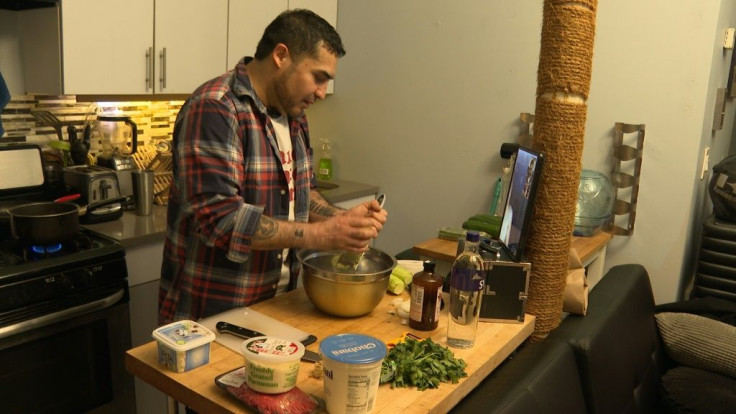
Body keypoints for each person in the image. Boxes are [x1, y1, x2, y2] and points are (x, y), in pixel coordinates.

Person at [159, 9, 387, 325]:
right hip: (212, 320)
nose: (322, 92)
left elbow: (302, 193)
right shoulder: (215, 108)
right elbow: (221, 220)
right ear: (281, 55)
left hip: (275, 309)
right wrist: (321, 234)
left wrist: (343, 220)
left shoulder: (293, 115)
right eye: (318, 77)